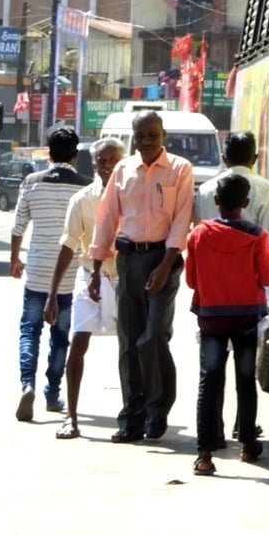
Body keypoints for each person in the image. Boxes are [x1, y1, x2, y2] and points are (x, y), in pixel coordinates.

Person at [87, 110, 195, 443]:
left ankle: (157, 409)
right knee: (129, 341)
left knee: (153, 337)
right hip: (129, 261)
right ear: (133, 137)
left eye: (153, 135)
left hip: (164, 259)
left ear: (163, 136)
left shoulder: (180, 169)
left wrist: (165, 266)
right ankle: (131, 417)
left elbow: (181, 220)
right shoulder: (123, 170)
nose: (147, 141)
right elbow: (106, 218)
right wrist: (95, 267)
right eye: (141, 136)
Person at [185, 173, 269, 476]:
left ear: (216, 201)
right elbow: (268, 278)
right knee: (246, 380)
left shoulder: (198, 234)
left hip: (211, 317)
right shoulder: (257, 236)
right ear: (246, 203)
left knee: (208, 381)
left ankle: (204, 454)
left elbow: (191, 279)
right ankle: (248, 444)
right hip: (247, 317)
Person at [43, 137, 126, 440]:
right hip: (89, 275)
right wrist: (53, 295)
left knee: (130, 348)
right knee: (77, 343)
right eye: (102, 162)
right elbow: (67, 245)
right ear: (92, 165)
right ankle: (72, 418)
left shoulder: (132, 195)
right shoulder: (82, 200)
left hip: (124, 281)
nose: (107, 167)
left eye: (113, 161)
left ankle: (132, 416)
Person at [9, 125, 91, 422]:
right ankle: (53, 393)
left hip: (38, 271)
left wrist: (14, 259)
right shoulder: (84, 185)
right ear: (75, 154)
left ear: (49, 152)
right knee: (60, 337)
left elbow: (18, 226)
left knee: (29, 330)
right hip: (68, 275)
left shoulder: (31, 182)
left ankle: (27, 384)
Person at [194, 131, 269, 263]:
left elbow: (197, 239)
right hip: (247, 275)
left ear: (224, 159)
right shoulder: (265, 190)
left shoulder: (204, 190)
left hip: (210, 274)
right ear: (255, 159)